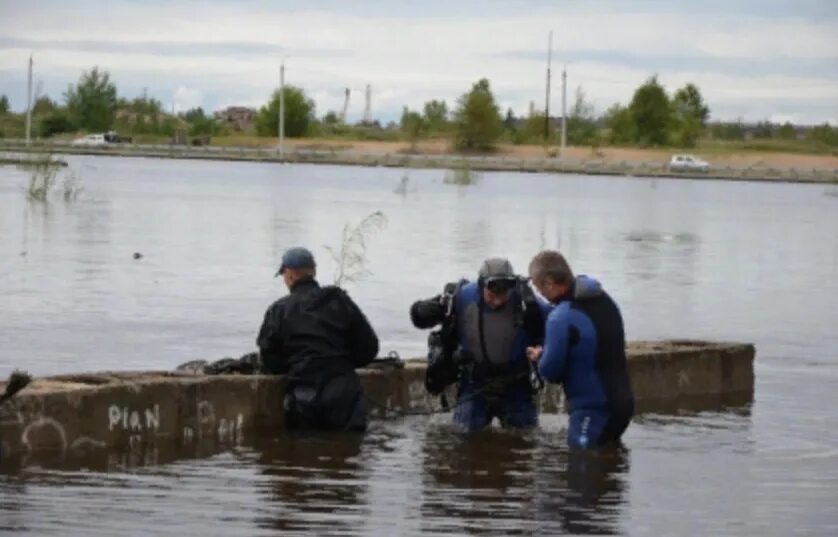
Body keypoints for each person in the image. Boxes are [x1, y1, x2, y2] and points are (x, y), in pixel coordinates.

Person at [410, 257, 545, 431]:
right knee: (464, 437)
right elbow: (420, 320)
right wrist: (420, 309)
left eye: (503, 295)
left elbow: (553, 327)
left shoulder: (527, 302)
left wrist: (542, 349)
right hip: (474, 382)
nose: (497, 301)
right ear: (481, 285)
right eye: (491, 295)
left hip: (516, 384)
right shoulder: (461, 297)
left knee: (526, 437)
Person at [256, 247, 379, 432]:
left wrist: (293, 366)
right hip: (345, 395)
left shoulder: (279, 310)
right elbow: (369, 347)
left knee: (307, 455)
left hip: (305, 396)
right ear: (313, 272)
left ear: (289, 275)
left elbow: (269, 359)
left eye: (283, 274)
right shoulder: (340, 300)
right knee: (350, 452)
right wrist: (344, 364)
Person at [526, 250, 634, 449]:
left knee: (581, 470)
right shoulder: (603, 299)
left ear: (549, 283)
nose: (538, 291)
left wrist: (539, 356)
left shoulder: (561, 317)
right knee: (609, 465)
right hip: (623, 403)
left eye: (536, 284)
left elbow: (551, 372)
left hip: (592, 411)